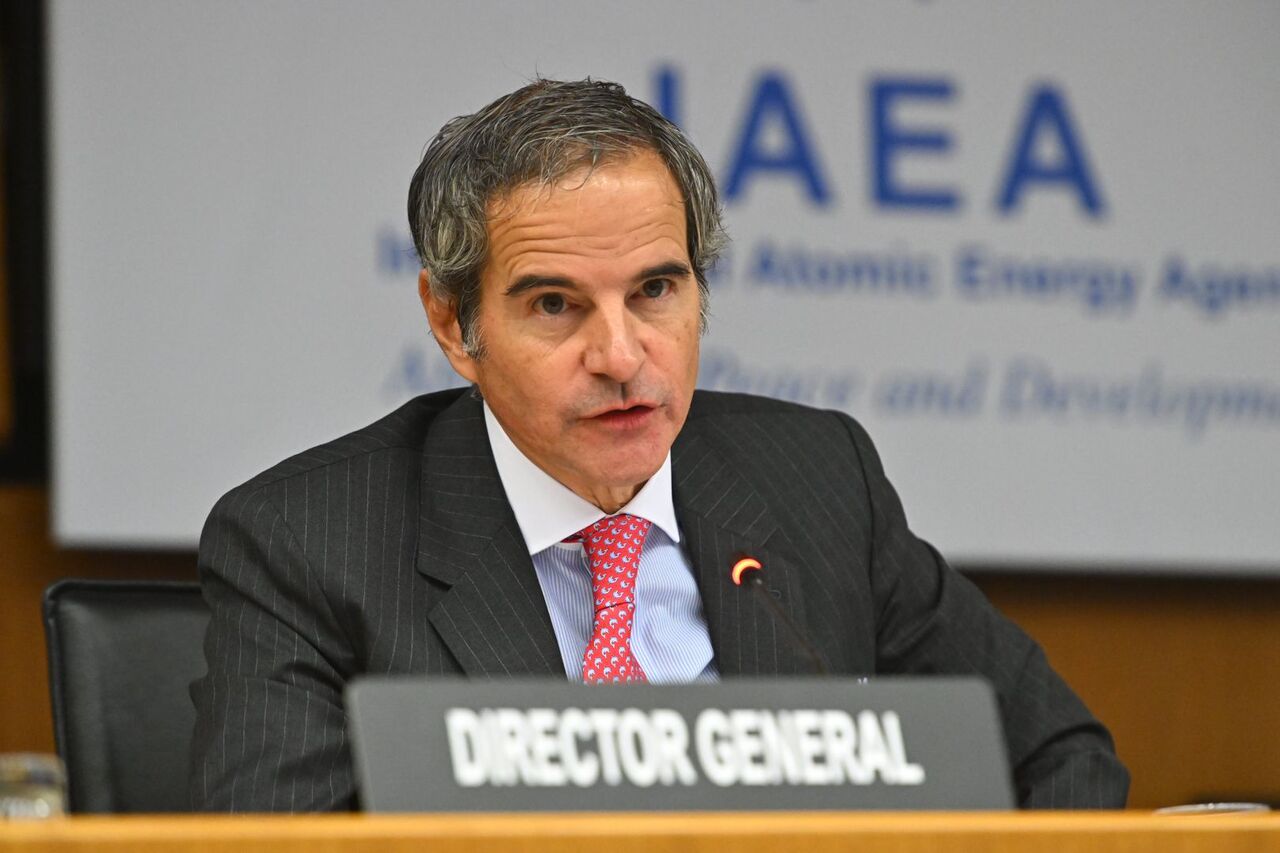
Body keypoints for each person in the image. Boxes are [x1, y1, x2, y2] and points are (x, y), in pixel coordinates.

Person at [190, 78, 1128, 811]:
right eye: (554, 303)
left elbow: (1059, 757)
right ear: (451, 323)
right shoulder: (310, 541)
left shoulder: (818, 482)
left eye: (655, 291)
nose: (621, 355)